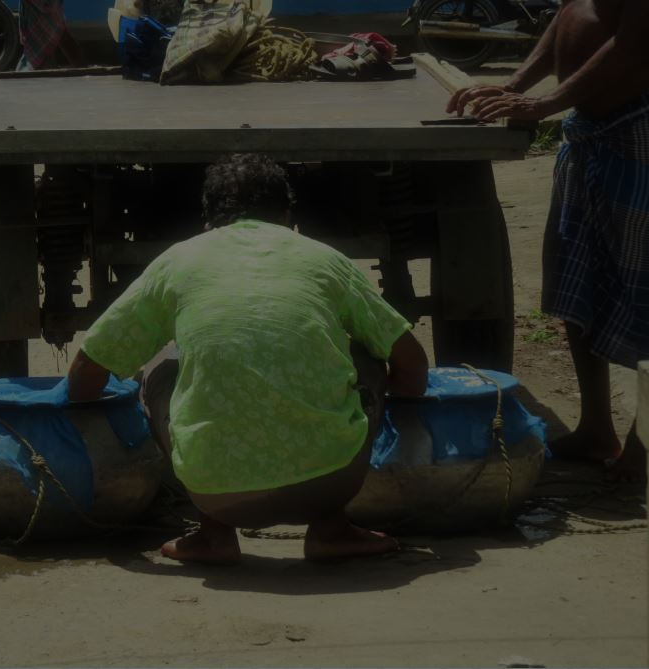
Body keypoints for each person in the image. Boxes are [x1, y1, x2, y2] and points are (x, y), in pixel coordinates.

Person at [67, 153, 429, 564]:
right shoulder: (324, 259)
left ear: (207, 221)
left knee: (162, 367)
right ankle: (331, 528)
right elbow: (413, 363)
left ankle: (213, 533)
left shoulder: (177, 261)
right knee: (367, 354)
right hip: (332, 481)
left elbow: (85, 374)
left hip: (217, 493)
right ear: (288, 216)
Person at [447, 0, 649, 478]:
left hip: (647, 128)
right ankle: (595, 427)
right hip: (593, 132)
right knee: (578, 282)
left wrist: (544, 103)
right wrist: (514, 86)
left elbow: (631, 45)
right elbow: (568, 18)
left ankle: (648, 445)